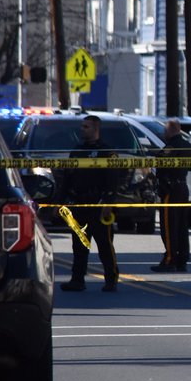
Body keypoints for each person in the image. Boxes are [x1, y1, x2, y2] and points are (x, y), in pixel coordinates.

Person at [61, 114, 124, 292]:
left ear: (96, 129)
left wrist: (108, 203)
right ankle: (77, 279)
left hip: (98, 205)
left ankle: (111, 279)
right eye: (82, 126)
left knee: (104, 245)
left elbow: (113, 180)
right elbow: (67, 178)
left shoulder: (107, 152)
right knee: (79, 245)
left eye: (86, 127)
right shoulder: (77, 151)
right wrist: (60, 202)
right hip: (79, 205)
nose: (82, 129)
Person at [152, 118, 191, 273]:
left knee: (169, 227)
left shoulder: (171, 146)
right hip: (183, 187)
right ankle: (182, 259)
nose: (164, 133)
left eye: (165, 130)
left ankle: (170, 259)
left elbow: (160, 164)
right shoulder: (187, 145)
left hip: (171, 190)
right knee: (182, 226)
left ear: (170, 130)